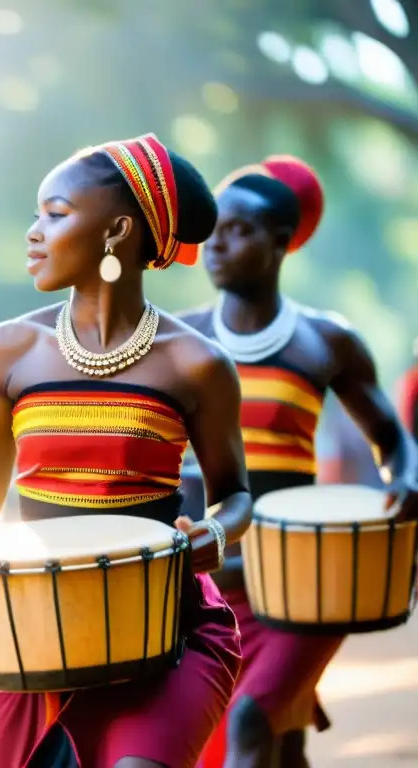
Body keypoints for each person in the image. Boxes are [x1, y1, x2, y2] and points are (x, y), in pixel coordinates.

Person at [0, 133, 250, 768]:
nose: (33, 232)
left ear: (116, 231)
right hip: (30, 633)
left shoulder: (198, 363)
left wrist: (214, 533)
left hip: (169, 626)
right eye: (36, 215)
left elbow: (236, 494)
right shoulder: (7, 349)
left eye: (54, 214)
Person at [179, 155, 418, 768]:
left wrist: (407, 480)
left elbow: (393, 439)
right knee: (278, 743)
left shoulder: (326, 342)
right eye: (214, 230)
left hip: (306, 586)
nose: (218, 244)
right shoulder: (180, 343)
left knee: (251, 722)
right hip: (210, 591)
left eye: (240, 230)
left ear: (283, 243)